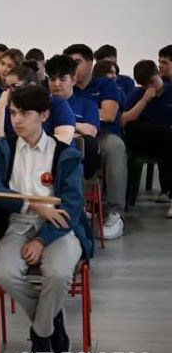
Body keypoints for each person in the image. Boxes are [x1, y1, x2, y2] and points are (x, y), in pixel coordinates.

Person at [0, 84, 92, 353]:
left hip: (59, 227)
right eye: (13, 113)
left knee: (59, 273)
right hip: (16, 223)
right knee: (4, 272)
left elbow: (72, 207)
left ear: (43, 115)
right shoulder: (3, 149)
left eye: (25, 113)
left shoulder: (65, 153)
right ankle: (51, 319)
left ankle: (40, 332)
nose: (16, 120)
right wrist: (31, 204)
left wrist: (41, 240)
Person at [64, 44, 126, 240]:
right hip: (74, 134)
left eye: (77, 62)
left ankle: (115, 214)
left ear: (90, 63)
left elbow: (109, 114)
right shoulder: (66, 85)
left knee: (115, 147)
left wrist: (80, 116)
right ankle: (77, 207)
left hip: (103, 135)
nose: (73, 67)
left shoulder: (105, 84)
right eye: (69, 63)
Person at [121, 59, 172, 213]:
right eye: (145, 85)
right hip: (144, 141)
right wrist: (144, 100)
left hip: (166, 143)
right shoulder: (138, 94)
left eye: (152, 82)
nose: (150, 87)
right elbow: (124, 121)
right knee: (132, 126)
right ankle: (167, 191)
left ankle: (168, 191)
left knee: (169, 143)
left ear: (158, 73)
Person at [0, 65, 76, 147]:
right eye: (7, 88)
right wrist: (0, 106)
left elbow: (63, 139)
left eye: (15, 86)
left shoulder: (56, 104)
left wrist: (27, 149)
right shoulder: (10, 110)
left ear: (32, 85)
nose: (9, 92)